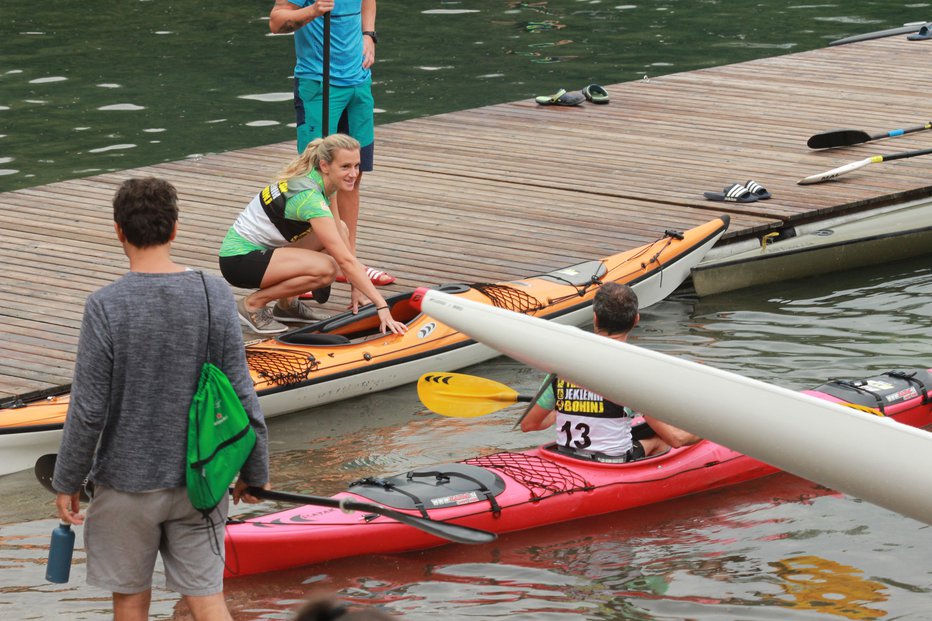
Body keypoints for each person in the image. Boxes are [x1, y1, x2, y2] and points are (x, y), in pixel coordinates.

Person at [52, 177, 270, 621]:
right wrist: (255, 469)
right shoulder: (214, 295)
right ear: (174, 229)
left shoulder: (105, 306)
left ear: (119, 231)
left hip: (125, 486)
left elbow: (89, 409)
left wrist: (67, 481)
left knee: (130, 604)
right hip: (202, 480)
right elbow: (240, 390)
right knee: (208, 600)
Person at [218, 133, 408, 336]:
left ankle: (286, 305)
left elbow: (340, 237)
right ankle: (252, 305)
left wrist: (357, 287)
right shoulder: (309, 198)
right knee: (327, 269)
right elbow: (344, 261)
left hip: (263, 251)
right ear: (325, 166)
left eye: (356, 166)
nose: (353, 174)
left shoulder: (326, 182)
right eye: (345, 167)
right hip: (239, 261)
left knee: (340, 228)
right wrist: (381, 306)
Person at [268, 0, 395, 288]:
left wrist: (368, 34)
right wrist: (313, 11)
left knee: (352, 174)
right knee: (318, 179)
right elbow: (277, 23)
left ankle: (348, 259)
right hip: (319, 84)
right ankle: (307, 262)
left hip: (358, 83)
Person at [520, 283, 699, 461]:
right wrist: (710, 433)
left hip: (567, 457)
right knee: (658, 439)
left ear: (595, 318)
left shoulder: (561, 367)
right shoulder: (634, 375)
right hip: (612, 464)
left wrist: (561, 410)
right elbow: (676, 439)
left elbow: (529, 425)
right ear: (636, 319)